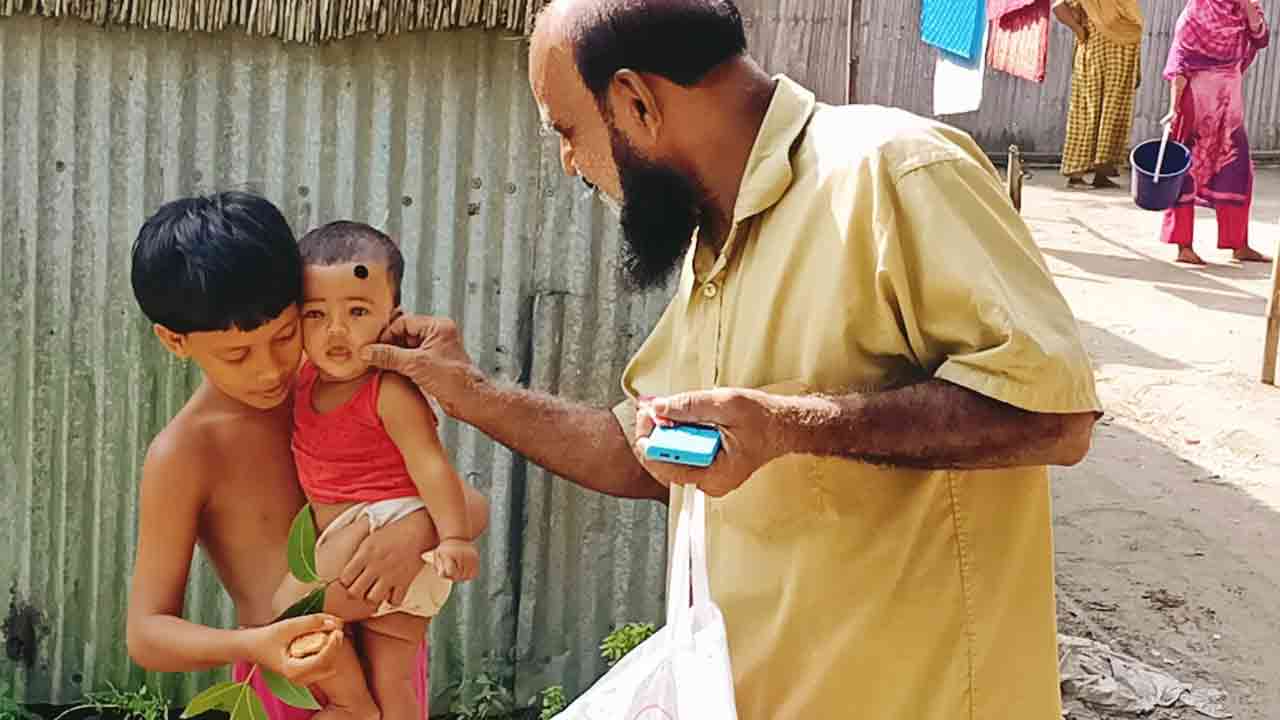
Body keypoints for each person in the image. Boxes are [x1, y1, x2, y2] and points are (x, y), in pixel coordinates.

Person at [359, 1, 1102, 718]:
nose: (568, 164)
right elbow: (639, 453)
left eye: (567, 130)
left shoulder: (894, 171)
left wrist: (793, 428)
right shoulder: (715, 245)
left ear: (636, 103)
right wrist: (468, 392)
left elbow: (1051, 416)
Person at [125, 193, 489, 720]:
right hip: (293, 682)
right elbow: (147, 634)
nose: (270, 369)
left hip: (393, 665)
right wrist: (254, 646)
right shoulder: (186, 452)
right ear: (174, 340)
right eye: (237, 354)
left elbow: (471, 508)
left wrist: (416, 532)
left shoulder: (334, 395)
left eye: (286, 335)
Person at [272, 221, 480, 720]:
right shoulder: (301, 383)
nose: (335, 331)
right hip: (381, 548)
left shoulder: (388, 391)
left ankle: (351, 706)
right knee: (395, 679)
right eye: (316, 315)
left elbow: (431, 465)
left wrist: (454, 538)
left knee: (288, 617)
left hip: (379, 524)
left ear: (394, 320)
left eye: (358, 312)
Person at [1160, 0, 1270, 265]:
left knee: (1238, 171)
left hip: (1229, 108)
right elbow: (1180, 64)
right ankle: (1183, 246)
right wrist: (1173, 109)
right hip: (1196, 105)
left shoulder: (1241, 12)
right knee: (1186, 172)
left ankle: (1238, 243)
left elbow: (1261, 38)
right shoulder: (1194, 16)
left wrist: (1248, 9)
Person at [1053, 0, 1144, 189]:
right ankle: (1075, 175)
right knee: (1088, 113)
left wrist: (1137, 68)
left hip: (1123, 60)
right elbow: (1058, 7)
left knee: (1114, 116)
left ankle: (1101, 174)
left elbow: (1134, 29)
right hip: (1096, 56)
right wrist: (1078, 30)